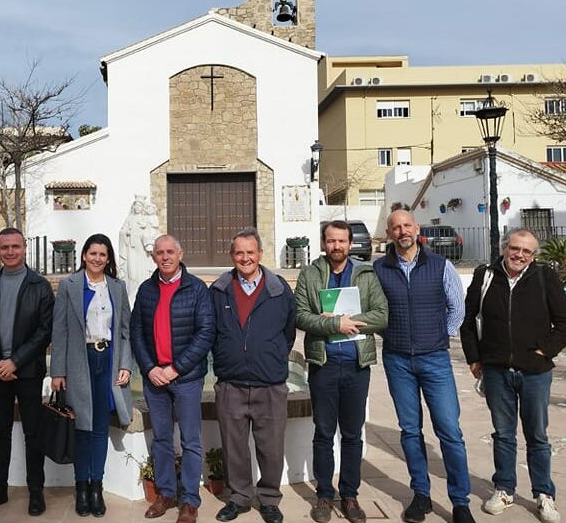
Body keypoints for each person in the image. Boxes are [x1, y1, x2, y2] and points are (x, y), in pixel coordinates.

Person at [460, 230, 566, 523]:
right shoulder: (486, 276)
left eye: (527, 252)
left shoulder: (543, 277)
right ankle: (504, 488)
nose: (520, 255)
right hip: (497, 369)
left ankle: (543, 494)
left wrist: (544, 352)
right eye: (515, 249)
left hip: (535, 373)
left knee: (537, 435)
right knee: (502, 433)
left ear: (533, 255)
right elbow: (467, 321)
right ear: (505, 249)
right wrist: (475, 358)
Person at [372, 210, 474, 523]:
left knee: (450, 431)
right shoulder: (378, 269)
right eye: (396, 227)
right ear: (389, 233)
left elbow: (458, 308)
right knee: (410, 431)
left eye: (407, 225)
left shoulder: (441, 266)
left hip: (435, 359)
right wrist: (388, 332)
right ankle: (421, 494)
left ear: (416, 229)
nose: (402, 231)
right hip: (397, 359)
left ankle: (460, 502)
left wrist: (440, 335)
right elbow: (373, 310)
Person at [295, 221, 388, 523]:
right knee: (323, 432)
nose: (337, 246)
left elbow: (382, 315)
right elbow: (300, 315)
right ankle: (324, 494)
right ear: (324, 243)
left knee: (352, 434)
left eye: (342, 241)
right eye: (331, 241)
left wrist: (349, 321)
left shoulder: (366, 273)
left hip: (356, 365)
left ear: (350, 244)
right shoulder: (310, 274)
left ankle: (349, 494)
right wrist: (334, 325)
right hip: (323, 364)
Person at [209, 229, 296, 523]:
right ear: (232, 256)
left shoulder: (279, 289)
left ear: (259, 254)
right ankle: (239, 497)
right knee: (233, 448)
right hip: (231, 383)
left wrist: (269, 357)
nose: (245, 258)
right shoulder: (219, 289)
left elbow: (288, 332)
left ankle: (269, 499)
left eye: (250, 252)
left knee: (270, 448)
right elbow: (211, 333)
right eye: (239, 253)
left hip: (269, 384)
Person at [0, 227, 55, 516]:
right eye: (4, 247)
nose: (9, 252)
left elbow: (45, 331)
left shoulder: (39, 286)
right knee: (0, 432)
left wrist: (15, 361)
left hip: (27, 371)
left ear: (24, 249)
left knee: (33, 433)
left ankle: (36, 491)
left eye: (15, 246)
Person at [130, 235, 215, 523]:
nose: (165, 257)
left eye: (170, 252)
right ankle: (166, 493)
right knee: (162, 439)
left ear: (180, 254)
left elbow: (205, 334)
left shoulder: (197, 289)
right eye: (159, 253)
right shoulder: (146, 290)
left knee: (191, 440)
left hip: (186, 378)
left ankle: (190, 500)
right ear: (153, 257)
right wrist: (150, 367)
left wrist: (175, 369)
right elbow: (137, 332)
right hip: (155, 379)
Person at [51, 233, 134, 517]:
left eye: (103, 254)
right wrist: (58, 371)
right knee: (81, 428)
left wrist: (125, 365)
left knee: (99, 427)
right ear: (84, 255)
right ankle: (81, 487)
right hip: (79, 362)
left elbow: (125, 330)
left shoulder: (117, 287)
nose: (97, 258)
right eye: (93, 253)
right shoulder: (69, 286)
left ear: (108, 259)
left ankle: (96, 487)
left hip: (107, 361)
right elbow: (59, 330)